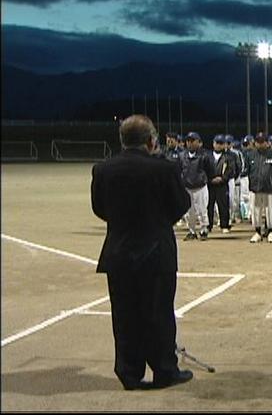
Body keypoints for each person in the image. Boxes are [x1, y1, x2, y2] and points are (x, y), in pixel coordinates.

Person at [91, 114, 193, 390]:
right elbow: (181, 204)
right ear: (151, 141)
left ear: (123, 140)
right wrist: (156, 221)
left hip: (119, 252)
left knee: (124, 315)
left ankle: (129, 372)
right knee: (159, 313)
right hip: (156, 252)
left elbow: (99, 208)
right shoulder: (164, 169)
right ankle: (164, 370)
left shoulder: (103, 168)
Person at [246, 132, 272, 243]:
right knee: (256, 211)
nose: (260, 144)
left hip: (269, 188)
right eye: (258, 142)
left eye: (263, 142)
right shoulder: (251, 155)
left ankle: (271, 231)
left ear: (267, 142)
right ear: (255, 143)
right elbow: (248, 170)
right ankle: (257, 232)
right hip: (256, 187)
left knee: (270, 210)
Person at [179, 132, 213, 241]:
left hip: (200, 187)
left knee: (202, 209)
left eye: (193, 141)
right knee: (189, 212)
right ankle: (192, 231)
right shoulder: (182, 156)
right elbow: (180, 170)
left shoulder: (204, 156)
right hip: (187, 187)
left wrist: (204, 180)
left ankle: (204, 229)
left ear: (199, 142)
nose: (190, 143)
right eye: (188, 141)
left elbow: (209, 170)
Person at [207, 134, 233, 234]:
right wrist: (210, 179)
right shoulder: (208, 156)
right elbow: (204, 169)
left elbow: (231, 169)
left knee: (223, 205)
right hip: (210, 184)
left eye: (221, 143)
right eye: (217, 143)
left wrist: (222, 178)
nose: (219, 145)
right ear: (213, 144)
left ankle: (224, 225)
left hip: (222, 184)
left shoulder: (228, 157)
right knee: (209, 205)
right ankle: (208, 225)